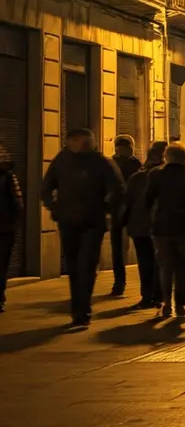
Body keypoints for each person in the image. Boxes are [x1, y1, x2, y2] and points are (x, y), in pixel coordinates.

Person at [40, 128, 125, 326]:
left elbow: (117, 189)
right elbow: (46, 187)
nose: (88, 145)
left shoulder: (101, 162)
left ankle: (82, 309)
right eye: (83, 141)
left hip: (93, 222)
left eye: (89, 141)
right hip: (68, 221)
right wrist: (54, 206)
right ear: (71, 142)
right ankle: (78, 307)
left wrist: (108, 209)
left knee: (86, 265)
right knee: (73, 266)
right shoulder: (61, 161)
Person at [144, 143, 185, 318]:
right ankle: (180, 304)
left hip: (162, 226)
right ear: (184, 158)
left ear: (166, 157)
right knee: (183, 266)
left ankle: (166, 303)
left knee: (165, 265)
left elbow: (148, 200)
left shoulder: (155, 174)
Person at [121, 141, 167, 309]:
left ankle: (147, 296)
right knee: (162, 260)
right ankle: (160, 295)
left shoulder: (137, 177)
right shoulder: (168, 176)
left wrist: (123, 221)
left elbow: (127, 202)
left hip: (139, 225)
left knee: (145, 260)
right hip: (162, 226)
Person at [110, 135, 141, 297]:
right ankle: (119, 282)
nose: (130, 150)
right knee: (118, 248)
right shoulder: (111, 164)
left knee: (137, 246)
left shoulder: (136, 164)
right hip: (119, 209)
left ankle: (122, 282)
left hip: (132, 210)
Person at [0, 148, 23, 313]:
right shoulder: (8, 176)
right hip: (5, 228)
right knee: (1, 265)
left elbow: (17, 202)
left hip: (5, 228)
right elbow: (18, 202)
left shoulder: (8, 176)